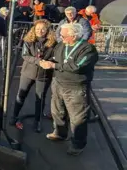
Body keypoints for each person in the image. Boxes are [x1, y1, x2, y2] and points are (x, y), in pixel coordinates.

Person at [40, 23, 99, 156]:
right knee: (57, 111)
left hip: (76, 87)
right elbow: (55, 57)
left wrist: (54, 66)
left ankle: (78, 144)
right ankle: (60, 133)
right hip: (59, 83)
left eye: (64, 35)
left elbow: (78, 66)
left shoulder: (88, 49)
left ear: (74, 35)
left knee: (77, 117)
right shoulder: (61, 45)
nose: (61, 37)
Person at [9, 19, 56, 132]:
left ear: (47, 30)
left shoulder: (54, 43)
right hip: (28, 73)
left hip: (44, 75)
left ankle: (37, 121)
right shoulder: (28, 41)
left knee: (40, 98)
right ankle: (14, 116)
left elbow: (56, 56)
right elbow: (25, 55)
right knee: (21, 94)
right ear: (34, 29)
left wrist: (50, 63)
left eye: (43, 29)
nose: (40, 31)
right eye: (38, 29)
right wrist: (39, 62)